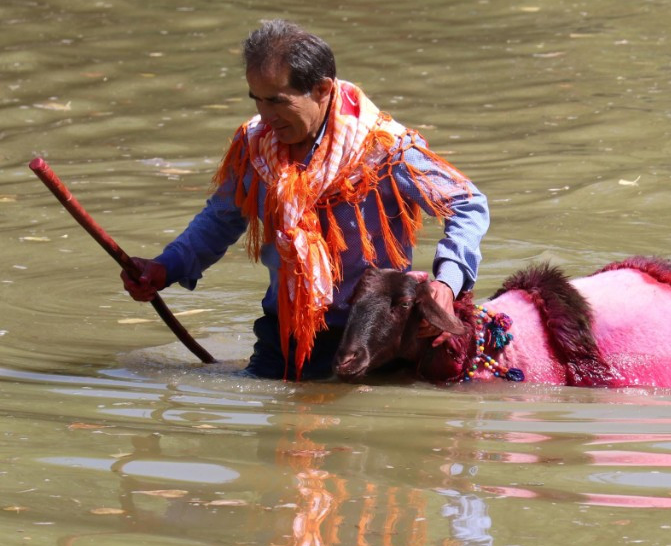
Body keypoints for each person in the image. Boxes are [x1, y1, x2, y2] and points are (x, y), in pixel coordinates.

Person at [122, 19, 489, 380]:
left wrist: (447, 283)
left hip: (372, 339)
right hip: (285, 330)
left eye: (278, 101)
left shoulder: (385, 148)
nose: (265, 116)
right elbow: (220, 221)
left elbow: (468, 204)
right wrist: (164, 268)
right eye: (257, 100)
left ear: (323, 89)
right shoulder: (255, 147)